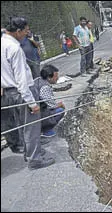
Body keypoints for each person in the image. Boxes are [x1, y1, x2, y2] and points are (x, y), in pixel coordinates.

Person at [1, 17, 54, 170]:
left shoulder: (2, 42)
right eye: (25, 31)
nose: (27, 34)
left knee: (21, 126)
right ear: (18, 31)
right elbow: (21, 79)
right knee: (31, 127)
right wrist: (32, 103)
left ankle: (28, 153)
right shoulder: (14, 49)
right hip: (21, 92)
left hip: (9, 93)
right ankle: (35, 160)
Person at [34, 65, 65, 137]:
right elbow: (52, 105)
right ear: (49, 77)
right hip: (38, 114)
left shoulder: (38, 80)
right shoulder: (44, 87)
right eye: (56, 76)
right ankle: (46, 130)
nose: (57, 78)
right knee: (60, 110)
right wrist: (60, 105)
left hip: (34, 112)